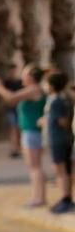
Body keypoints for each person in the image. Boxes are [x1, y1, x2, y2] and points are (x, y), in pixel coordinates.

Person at [0, 64, 47, 207]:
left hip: (32, 132)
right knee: (35, 166)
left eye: (24, 73)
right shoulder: (34, 89)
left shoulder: (33, 89)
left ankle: (38, 198)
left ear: (30, 77)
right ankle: (38, 196)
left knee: (34, 166)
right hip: (31, 132)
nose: (22, 76)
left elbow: (11, 98)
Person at [42, 70, 73, 214]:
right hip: (60, 138)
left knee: (61, 171)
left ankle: (66, 198)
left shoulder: (57, 101)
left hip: (58, 139)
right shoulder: (61, 99)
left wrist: (48, 121)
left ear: (52, 86)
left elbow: (63, 121)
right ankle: (65, 197)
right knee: (63, 170)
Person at [1, 64, 24, 159]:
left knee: (19, 129)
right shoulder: (6, 82)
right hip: (11, 109)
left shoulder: (20, 82)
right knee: (13, 129)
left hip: (19, 108)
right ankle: (14, 148)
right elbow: (6, 97)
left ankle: (19, 148)